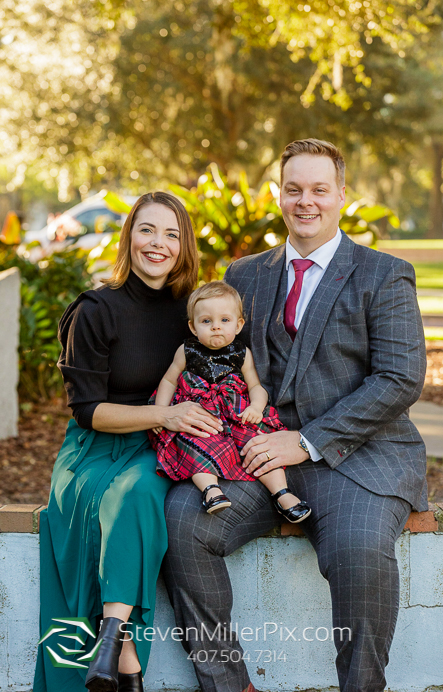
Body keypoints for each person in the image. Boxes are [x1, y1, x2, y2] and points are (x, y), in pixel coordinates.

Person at [162, 138, 427, 692]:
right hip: (256, 454)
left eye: (318, 189)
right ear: (279, 195)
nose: (305, 201)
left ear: (341, 195)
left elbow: (400, 378)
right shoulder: (245, 274)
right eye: (293, 189)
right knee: (184, 520)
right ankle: (229, 684)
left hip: (358, 457)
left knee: (359, 553)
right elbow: (222, 363)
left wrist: (306, 441)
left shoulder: (385, 274)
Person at [33, 192, 222, 692]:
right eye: (148, 230)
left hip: (163, 445)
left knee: (136, 494)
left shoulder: (194, 313)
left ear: (184, 247)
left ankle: (114, 643)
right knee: (118, 497)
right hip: (97, 447)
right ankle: (126, 660)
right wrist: (165, 414)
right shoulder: (95, 310)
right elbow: (88, 411)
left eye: (172, 234)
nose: (158, 244)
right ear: (129, 237)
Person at [149, 280, 311, 522]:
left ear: (238, 324)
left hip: (236, 413)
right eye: (207, 321)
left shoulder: (242, 353)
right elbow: (169, 381)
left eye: (224, 320)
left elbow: (256, 386)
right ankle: (211, 491)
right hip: (201, 415)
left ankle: (282, 493)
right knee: (196, 441)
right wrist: (160, 411)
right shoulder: (186, 351)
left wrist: (256, 407)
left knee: (259, 444)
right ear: (193, 327)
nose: (216, 327)